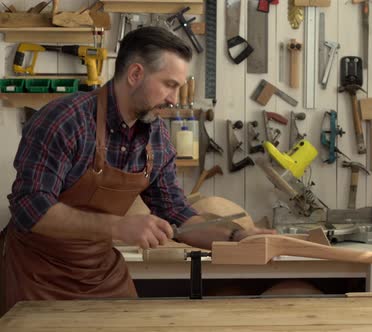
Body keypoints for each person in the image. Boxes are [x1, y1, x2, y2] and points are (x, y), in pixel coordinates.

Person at [0, 26, 274, 315]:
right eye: (169, 84)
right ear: (135, 75)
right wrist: (118, 227)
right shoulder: (66, 120)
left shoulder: (156, 138)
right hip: (36, 274)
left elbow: (179, 215)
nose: (174, 98)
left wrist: (237, 237)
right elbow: (30, 208)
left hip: (100, 274)